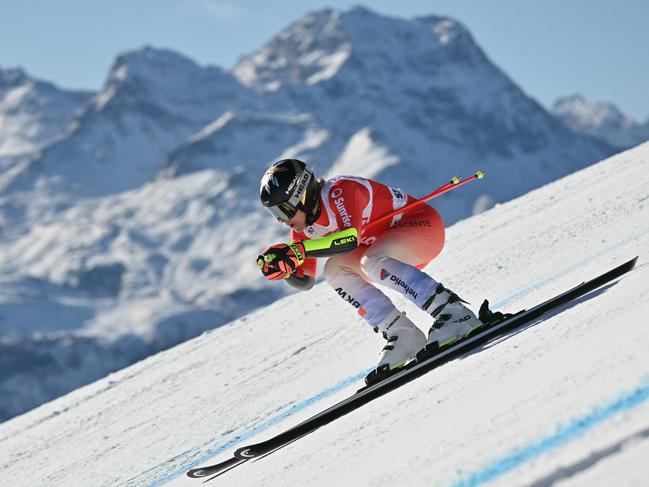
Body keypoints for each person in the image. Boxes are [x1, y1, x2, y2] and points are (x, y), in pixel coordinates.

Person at [257, 158, 482, 381]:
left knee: (371, 260)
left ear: (302, 196)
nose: (281, 221)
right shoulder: (303, 227)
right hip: (389, 253)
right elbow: (305, 280)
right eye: (274, 214)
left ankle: (453, 313)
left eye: (284, 211)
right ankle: (403, 334)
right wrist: (284, 268)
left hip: (422, 228)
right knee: (335, 270)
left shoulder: (340, 191)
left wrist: (297, 253)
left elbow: (349, 239)